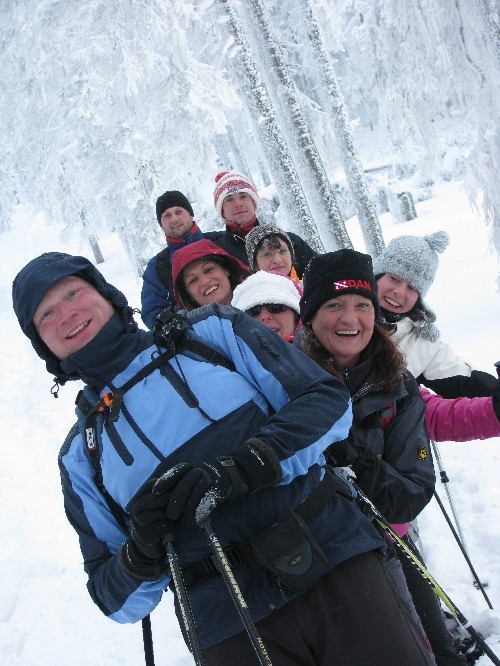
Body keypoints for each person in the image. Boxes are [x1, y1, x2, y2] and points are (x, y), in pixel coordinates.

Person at [12, 251, 437, 666]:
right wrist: (140, 553)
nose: (65, 314)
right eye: (45, 315)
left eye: (71, 293)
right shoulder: (81, 456)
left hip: (336, 561)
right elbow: (113, 597)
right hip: (227, 625)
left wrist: (250, 463)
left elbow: (326, 402)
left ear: (105, 293)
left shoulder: (211, 332)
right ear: (41, 343)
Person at [297, 248, 468, 666]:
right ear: (309, 314)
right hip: (308, 559)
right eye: (334, 304)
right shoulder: (280, 379)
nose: (349, 319)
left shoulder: (398, 386)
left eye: (361, 305)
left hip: (386, 538)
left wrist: (351, 458)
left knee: (434, 649)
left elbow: (409, 494)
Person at [373, 231, 497, 398]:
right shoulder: (340, 314)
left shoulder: (421, 344)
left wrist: (495, 391)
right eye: (394, 279)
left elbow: (466, 383)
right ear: (377, 275)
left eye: (412, 288)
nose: (399, 292)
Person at [206, 170, 317, 277]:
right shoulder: (217, 254)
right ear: (221, 210)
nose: (238, 204)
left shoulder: (290, 241)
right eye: (229, 199)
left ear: (254, 203)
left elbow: (325, 276)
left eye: (243, 196)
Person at [141, 190, 203, 329]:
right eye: (167, 215)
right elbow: (152, 313)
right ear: (161, 224)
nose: (174, 219)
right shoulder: (157, 267)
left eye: (178, 211)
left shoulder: (218, 242)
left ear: (190, 213)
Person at [171, 239, 250, 311]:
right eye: (193, 280)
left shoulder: (261, 299)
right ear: (189, 295)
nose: (204, 281)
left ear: (226, 270)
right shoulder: (190, 327)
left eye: (208, 270)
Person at [232, 270, 302, 341]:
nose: (264, 317)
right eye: (253, 311)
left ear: (296, 316)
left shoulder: (312, 351)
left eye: (275, 307)